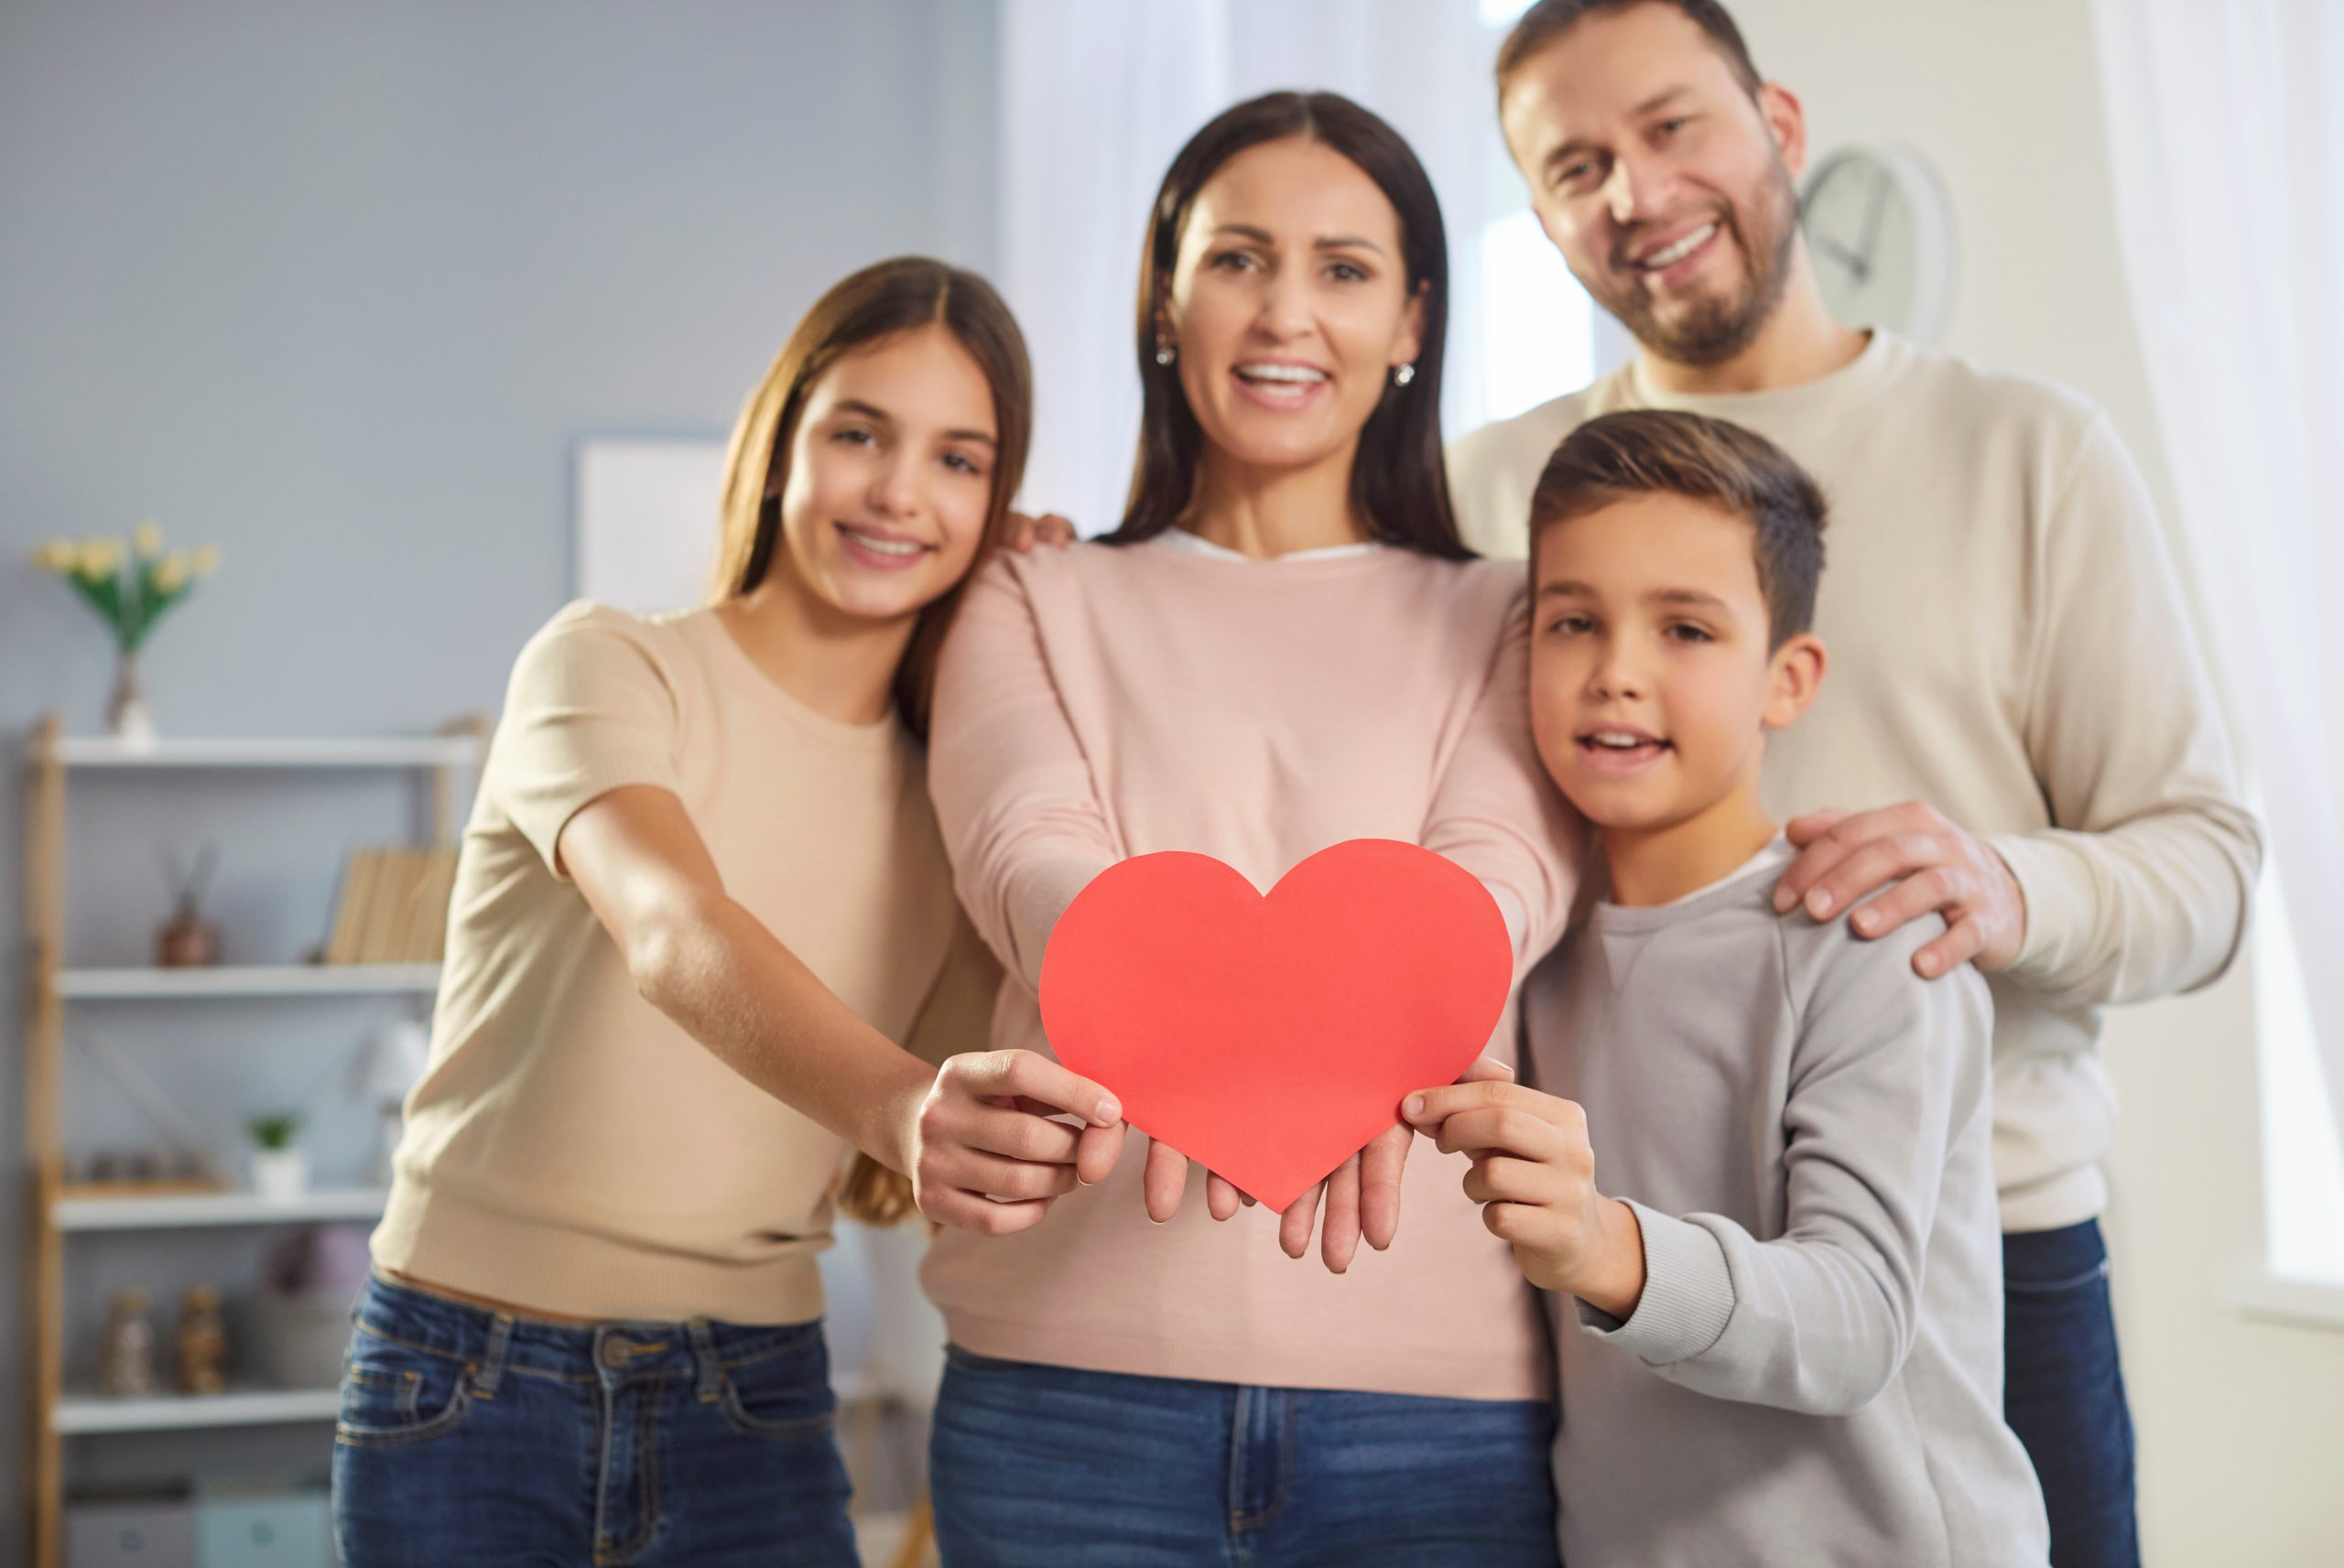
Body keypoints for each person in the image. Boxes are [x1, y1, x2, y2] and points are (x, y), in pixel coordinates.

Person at [1447, 5, 2262, 1561]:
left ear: (1783, 125)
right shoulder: (1494, 489)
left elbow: (2212, 864)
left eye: (1672, 126)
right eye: (1576, 166)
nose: (1636, 192)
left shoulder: (2027, 450)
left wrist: (2008, 883)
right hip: (1605, 1262)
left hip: (1982, 1253)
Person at [331, 256, 1117, 1568]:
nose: (899, 491)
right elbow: (672, 927)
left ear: (996, 503)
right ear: (780, 442)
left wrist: (1053, 627)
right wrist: (900, 1108)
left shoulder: (954, 801)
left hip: (751, 1397)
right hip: (468, 1380)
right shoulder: (608, 664)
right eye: (859, 433)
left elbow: (984, 1075)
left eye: (958, 461)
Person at [919, 91, 1580, 1566]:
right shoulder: (1027, 593)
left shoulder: (1510, 612)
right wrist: (1194, 1040)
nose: (1287, 312)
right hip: (1066, 1397)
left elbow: (1499, 880)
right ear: (1166, 300)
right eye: (1237, 259)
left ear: (1411, 321)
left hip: (1435, 1413)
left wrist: (1313, 1053)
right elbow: (1026, 852)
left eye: (1343, 269)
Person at [1410, 407, 2049, 1566]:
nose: (1616, 674)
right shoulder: (1533, 959)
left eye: (1686, 630)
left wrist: (1604, 1246)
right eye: (1573, 622)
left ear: (1786, 679)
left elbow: (1858, 1323)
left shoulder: (1868, 941)